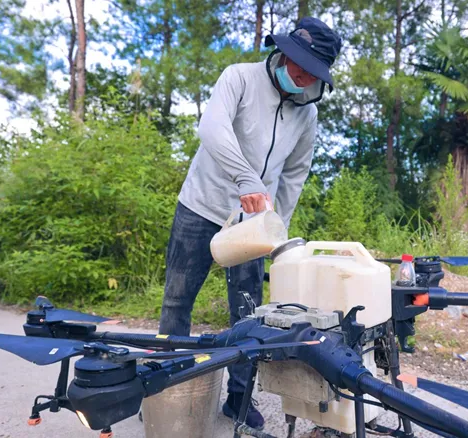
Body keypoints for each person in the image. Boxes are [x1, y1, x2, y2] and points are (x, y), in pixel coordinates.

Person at [157, 17, 342, 430]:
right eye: (299, 62)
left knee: (248, 314)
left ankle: (238, 398)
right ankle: (163, 385)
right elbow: (212, 127)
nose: (302, 74)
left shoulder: (306, 113)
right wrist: (246, 178)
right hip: (201, 207)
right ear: (284, 51)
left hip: (254, 225)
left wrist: (279, 230)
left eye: (313, 71)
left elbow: (295, 174)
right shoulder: (238, 78)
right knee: (176, 301)